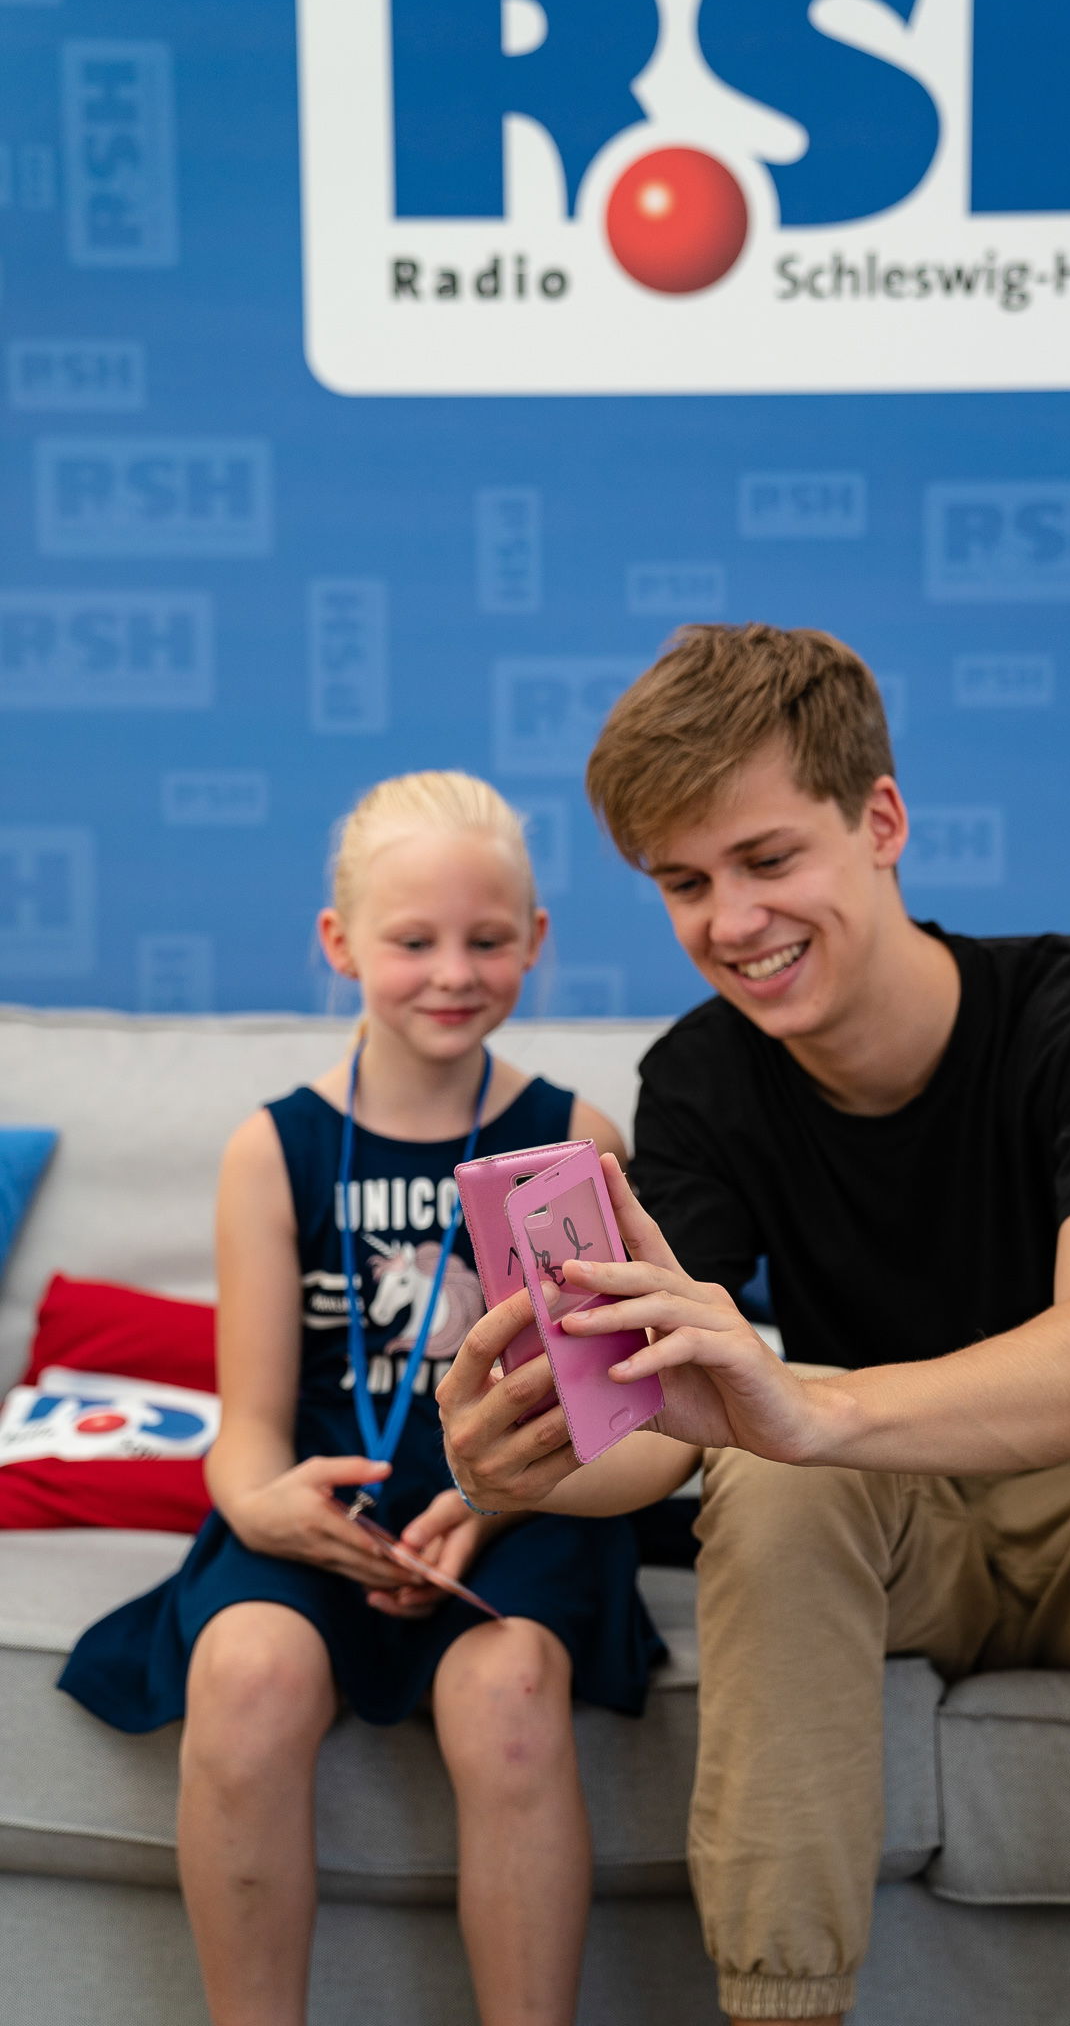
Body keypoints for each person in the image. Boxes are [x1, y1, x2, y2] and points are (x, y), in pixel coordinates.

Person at [438, 625, 1070, 2026]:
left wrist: (812, 1405)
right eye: (685, 883)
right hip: (893, 1538)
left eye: (766, 859)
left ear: (880, 821)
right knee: (769, 1471)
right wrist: (519, 1464)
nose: (730, 921)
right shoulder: (699, 1079)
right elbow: (659, 1424)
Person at [59, 770, 666, 2026]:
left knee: (506, 1691)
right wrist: (265, 1508)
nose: (453, 972)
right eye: (413, 941)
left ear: (536, 941)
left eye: (487, 940)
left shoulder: (573, 1136)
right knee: (245, 1669)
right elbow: (248, 1433)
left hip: (517, 1505)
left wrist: (493, 1503)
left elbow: (608, 1414)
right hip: (329, 1511)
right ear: (341, 944)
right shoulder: (271, 1148)